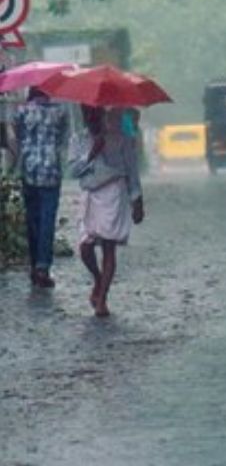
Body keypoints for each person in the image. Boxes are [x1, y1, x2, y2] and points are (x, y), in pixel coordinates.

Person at [69, 106, 144, 316]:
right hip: (89, 195)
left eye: (94, 113)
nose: (90, 118)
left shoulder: (120, 136)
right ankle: (98, 279)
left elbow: (131, 169)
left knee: (109, 247)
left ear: (101, 114)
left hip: (113, 193)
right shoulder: (78, 139)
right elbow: (73, 171)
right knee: (85, 247)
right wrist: (91, 154)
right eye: (86, 114)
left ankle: (102, 298)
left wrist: (137, 199)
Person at [13, 87, 70, 287]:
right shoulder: (61, 111)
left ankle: (33, 264)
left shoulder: (22, 111)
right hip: (51, 171)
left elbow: (17, 138)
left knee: (32, 219)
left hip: (29, 170)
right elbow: (64, 140)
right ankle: (42, 267)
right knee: (48, 219)